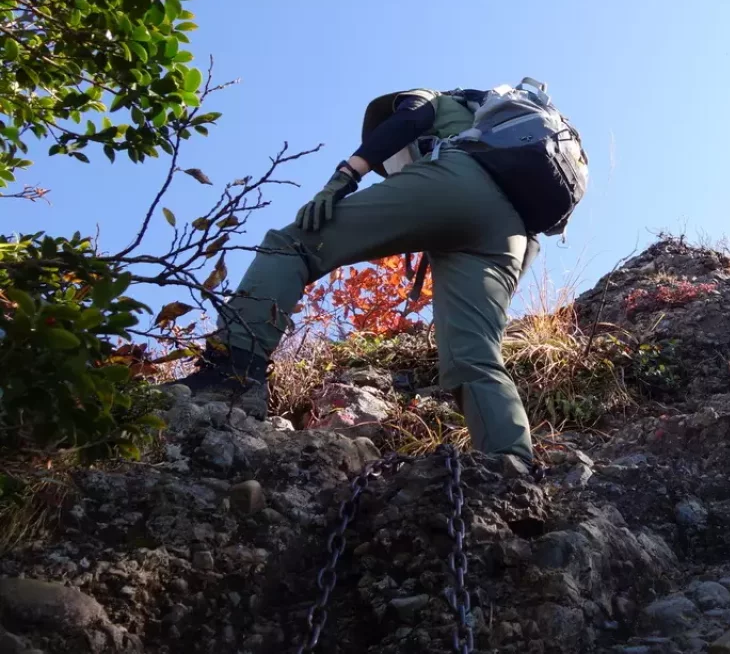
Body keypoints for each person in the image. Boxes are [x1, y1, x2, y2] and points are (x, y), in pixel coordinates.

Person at [173, 86, 550, 465]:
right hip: (511, 231)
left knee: (294, 244)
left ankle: (231, 377)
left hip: (457, 179)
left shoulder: (430, 99)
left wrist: (344, 177)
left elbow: (409, 120)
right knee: (475, 356)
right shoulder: (499, 134)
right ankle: (512, 464)